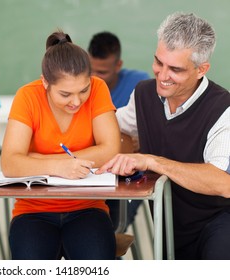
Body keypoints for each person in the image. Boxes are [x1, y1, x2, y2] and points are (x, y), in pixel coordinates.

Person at [97, 12, 230, 260]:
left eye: (175, 69)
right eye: (159, 62)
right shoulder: (143, 94)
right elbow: (115, 127)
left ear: (201, 69)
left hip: (219, 225)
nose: (162, 75)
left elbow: (223, 182)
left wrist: (153, 161)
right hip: (170, 222)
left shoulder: (223, 109)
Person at [1, 30, 120, 260]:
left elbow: (110, 150)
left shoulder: (98, 88)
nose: (76, 101)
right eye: (65, 94)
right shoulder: (27, 96)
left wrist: (36, 159)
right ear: (45, 82)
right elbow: (10, 163)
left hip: (88, 207)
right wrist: (59, 166)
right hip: (33, 211)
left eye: (83, 90)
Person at [88, 31, 150, 229]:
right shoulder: (79, 87)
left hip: (128, 175)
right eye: (92, 70)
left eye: (103, 72)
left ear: (118, 65)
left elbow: (147, 133)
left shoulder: (139, 85)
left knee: (111, 227)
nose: (96, 77)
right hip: (93, 173)